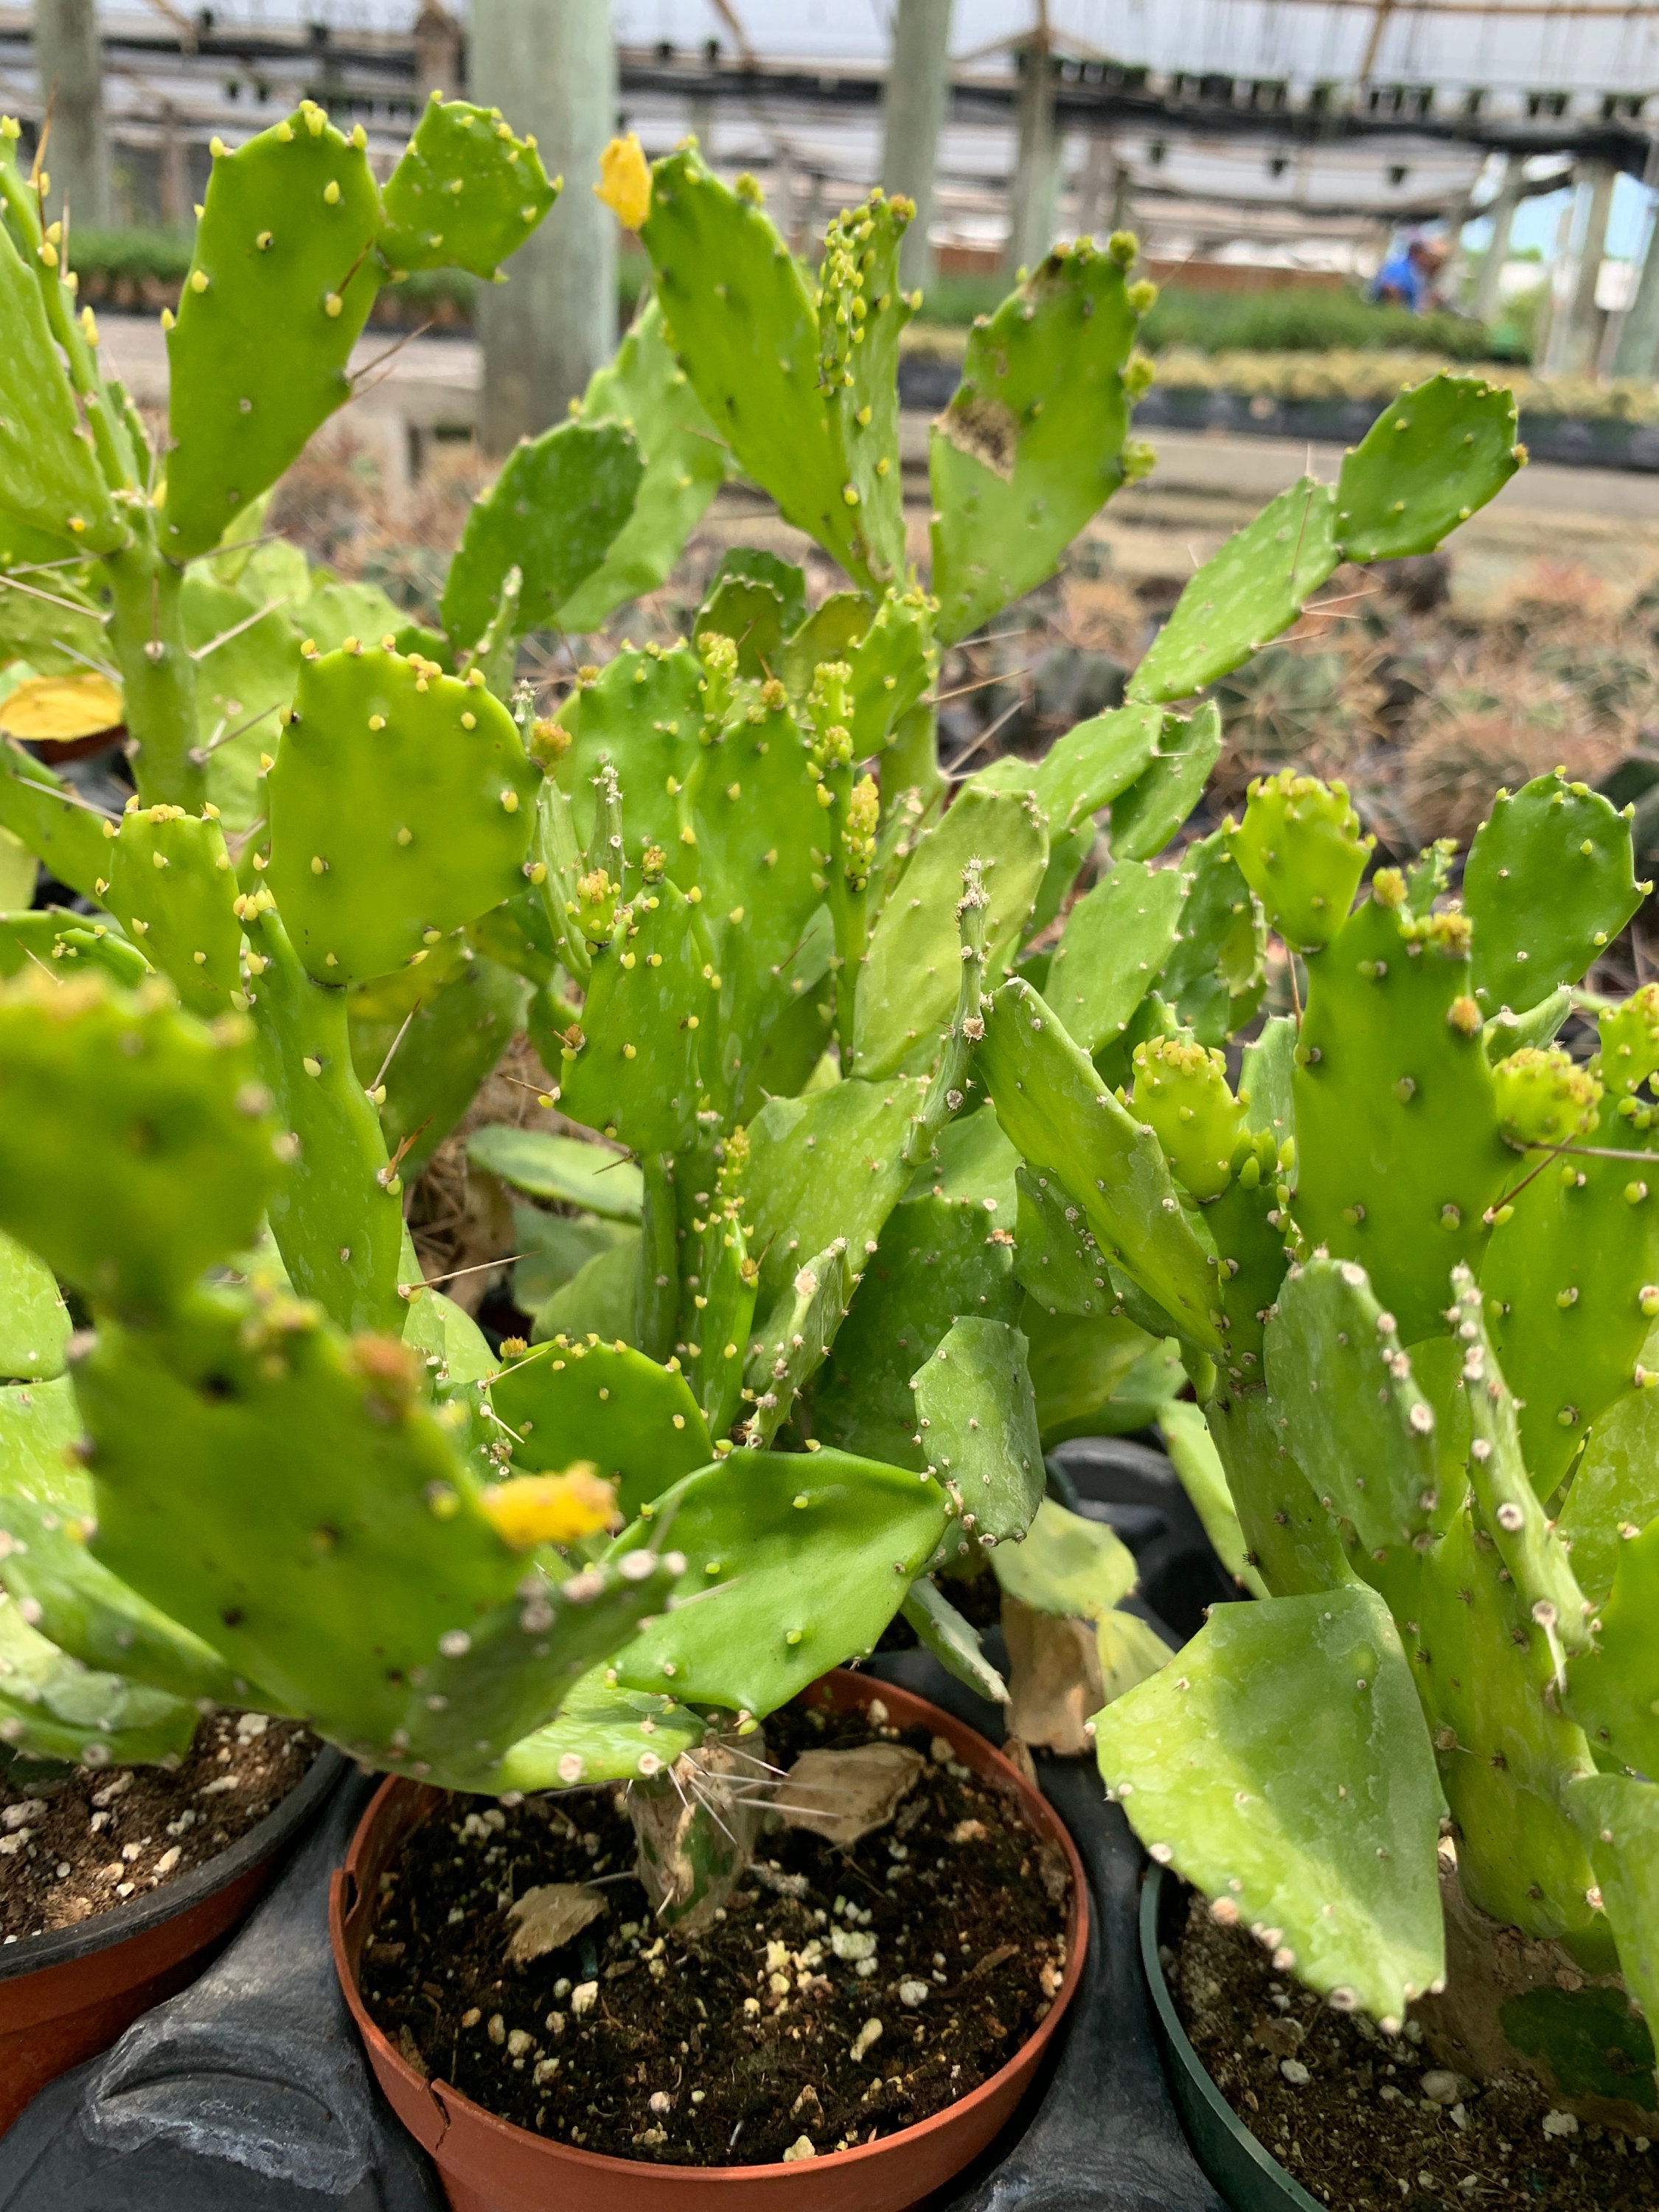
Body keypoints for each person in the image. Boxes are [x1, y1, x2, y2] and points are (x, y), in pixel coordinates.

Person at [1371, 234, 1448, 312]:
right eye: (1426, 255)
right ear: (1418, 253)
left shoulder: (1417, 272)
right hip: (1388, 312)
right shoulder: (1399, 267)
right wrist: (1397, 312)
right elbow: (1390, 288)